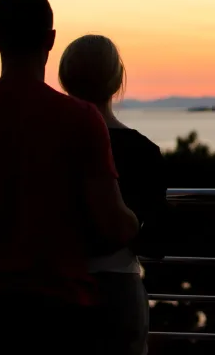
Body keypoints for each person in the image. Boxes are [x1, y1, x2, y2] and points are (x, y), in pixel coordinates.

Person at [0, 0, 140, 355]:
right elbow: (113, 224)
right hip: (61, 310)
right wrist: (139, 221)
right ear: (51, 39)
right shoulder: (80, 120)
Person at [59, 34, 169, 355]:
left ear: (65, 82)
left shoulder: (47, 147)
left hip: (55, 291)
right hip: (118, 291)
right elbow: (157, 242)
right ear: (117, 80)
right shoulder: (144, 151)